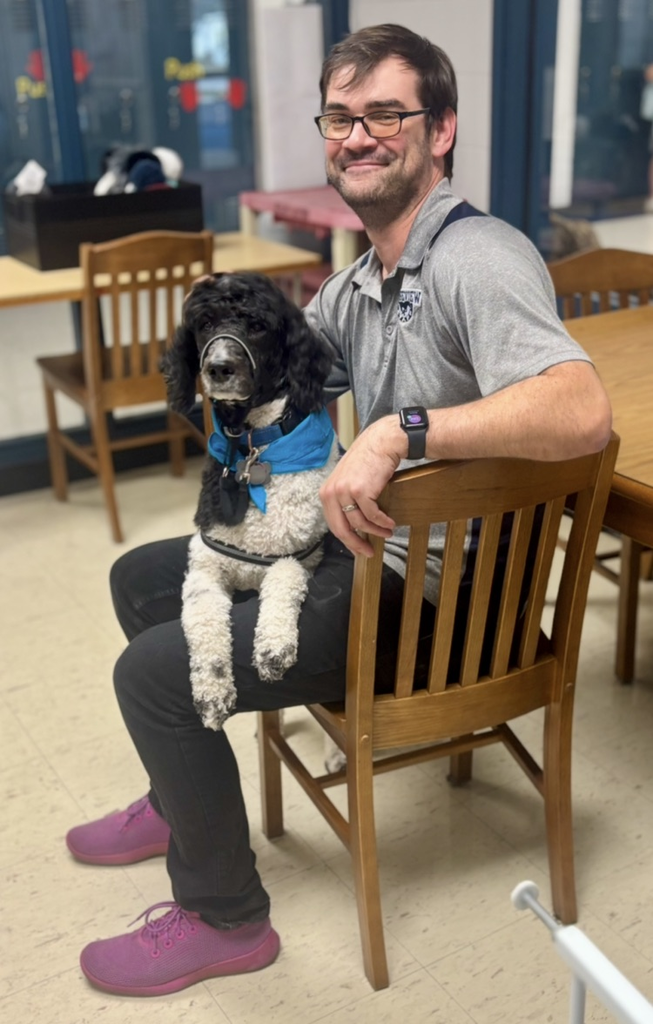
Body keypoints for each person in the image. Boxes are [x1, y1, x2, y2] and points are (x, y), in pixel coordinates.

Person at [68, 24, 612, 997]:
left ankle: (225, 915)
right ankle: (181, 795)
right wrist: (217, 364)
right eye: (340, 116)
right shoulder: (358, 284)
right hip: (367, 557)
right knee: (142, 577)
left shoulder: (477, 258)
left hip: (443, 613)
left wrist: (396, 430)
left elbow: (578, 409)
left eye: (384, 115)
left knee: (151, 675)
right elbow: (287, 373)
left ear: (439, 131)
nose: (356, 136)